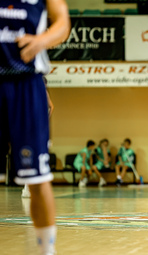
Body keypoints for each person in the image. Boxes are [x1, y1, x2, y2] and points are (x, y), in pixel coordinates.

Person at [0, 0, 70, 254]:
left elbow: (62, 22)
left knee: (38, 179)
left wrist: (42, 40)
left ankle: (45, 251)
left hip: (26, 83)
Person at [22, 76, 54, 198]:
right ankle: (28, 187)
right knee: (32, 157)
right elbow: (52, 107)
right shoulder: (32, 94)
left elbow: (51, 106)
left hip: (37, 130)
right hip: (34, 130)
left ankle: (30, 187)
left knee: (34, 158)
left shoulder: (36, 93)